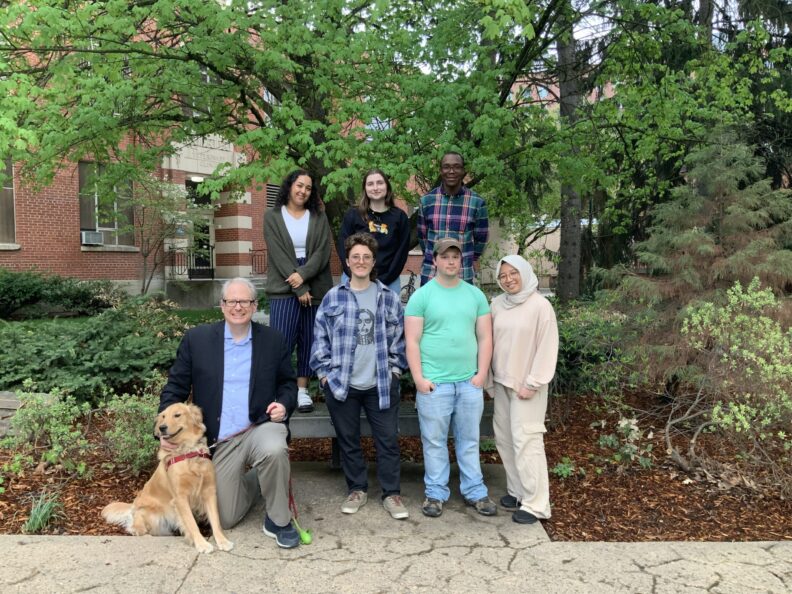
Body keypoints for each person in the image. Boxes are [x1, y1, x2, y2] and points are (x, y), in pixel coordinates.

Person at [159, 278, 301, 548]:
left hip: (258, 427)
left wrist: (283, 403)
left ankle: (279, 521)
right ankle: (262, 481)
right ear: (222, 306)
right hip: (220, 440)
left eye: (244, 301)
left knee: (273, 448)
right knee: (225, 517)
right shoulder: (197, 340)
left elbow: (287, 384)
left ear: (254, 305)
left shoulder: (272, 340)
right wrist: (164, 430)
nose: (238, 307)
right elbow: (175, 388)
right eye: (232, 301)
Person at [311, 232, 409, 519]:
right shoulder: (333, 297)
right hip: (342, 384)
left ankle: (392, 494)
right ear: (348, 261)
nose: (361, 261)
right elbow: (320, 339)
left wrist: (393, 371)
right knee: (348, 439)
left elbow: (399, 340)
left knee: (388, 440)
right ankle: (357, 489)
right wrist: (325, 375)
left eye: (366, 256)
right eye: (356, 257)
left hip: (380, 383)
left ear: (373, 261)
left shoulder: (388, 298)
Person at [404, 237, 496, 518]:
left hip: (468, 382)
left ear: (462, 260)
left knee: (469, 439)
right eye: (445, 256)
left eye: (455, 256)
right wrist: (418, 378)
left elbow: (485, 337)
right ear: (435, 260)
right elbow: (412, 342)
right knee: (434, 441)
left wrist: (481, 375)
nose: (451, 261)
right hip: (434, 384)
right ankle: (435, 493)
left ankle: (475, 491)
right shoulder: (421, 296)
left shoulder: (475, 295)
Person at [489, 255, 558, 524]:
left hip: (527, 387)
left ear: (525, 273)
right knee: (505, 439)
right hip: (503, 383)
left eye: (513, 273)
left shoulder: (540, 306)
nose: (508, 279)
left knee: (527, 442)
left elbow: (547, 347)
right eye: (503, 275)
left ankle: (536, 503)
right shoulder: (497, 305)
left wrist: (533, 382)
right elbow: (489, 341)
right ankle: (518, 491)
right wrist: (489, 380)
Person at [264, 169, 333, 413]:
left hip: (315, 281)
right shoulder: (272, 216)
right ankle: (281, 391)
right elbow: (278, 253)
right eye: (299, 185)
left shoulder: (318, 216)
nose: (303, 191)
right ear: (290, 185)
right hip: (284, 285)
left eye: (308, 188)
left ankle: (302, 391)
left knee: (310, 339)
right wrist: (298, 285)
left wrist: (303, 277)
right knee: (282, 340)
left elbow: (323, 252)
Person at [416, 152, 488, 286]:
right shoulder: (427, 201)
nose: (451, 171)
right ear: (440, 170)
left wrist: (467, 259)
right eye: (446, 167)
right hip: (432, 273)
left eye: (456, 167)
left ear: (463, 171)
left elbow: (481, 240)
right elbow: (423, 238)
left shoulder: (477, 202)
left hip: (462, 275)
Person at [337, 169, 411, 295]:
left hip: (389, 281)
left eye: (380, 183)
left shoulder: (399, 217)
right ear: (365, 188)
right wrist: (354, 275)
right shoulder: (353, 215)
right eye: (370, 184)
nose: (375, 188)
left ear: (387, 186)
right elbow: (342, 246)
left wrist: (385, 279)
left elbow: (401, 252)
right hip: (354, 278)